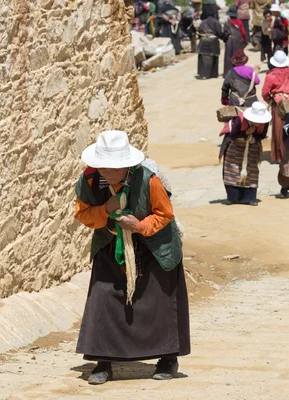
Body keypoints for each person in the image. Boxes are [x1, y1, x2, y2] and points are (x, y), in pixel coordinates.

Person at [74, 130, 190, 384]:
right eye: (103, 167)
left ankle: (167, 359)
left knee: (158, 302)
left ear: (127, 165)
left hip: (155, 246)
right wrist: (106, 209)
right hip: (111, 243)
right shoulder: (92, 179)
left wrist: (137, 226)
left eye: (113, 168)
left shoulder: (149, 180)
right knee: (104, 298)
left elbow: (164, 214)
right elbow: (83, 214)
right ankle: (103, 361)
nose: (107, 172)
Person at [219, 102, 272, 206]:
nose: (258, 123)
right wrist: (246, 132)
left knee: (251, 171)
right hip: (234, 145)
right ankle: (233, 197)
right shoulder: (239, 120)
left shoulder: (264, 123)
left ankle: (250, 198)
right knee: (232, 171)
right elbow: (233, 134)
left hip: (252, 146)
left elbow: (262, 135)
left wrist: (253, 135)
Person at [261, 50, 289, 162]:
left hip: (279, 104)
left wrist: (270, 100)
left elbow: (265, 92)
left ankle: (281, 156)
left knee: (280, 129)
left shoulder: (271, 75)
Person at [197, 6, 224, 79]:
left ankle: (203, 74)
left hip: (203, 40)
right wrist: (224, 38)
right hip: (213, 40)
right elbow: (219, 33)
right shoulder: (216, 22)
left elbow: (199, 31)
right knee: (214, 57)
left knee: (202, 57)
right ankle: (213, 74)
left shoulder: (203, 22)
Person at [223, 6, 247, 77]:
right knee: (238, 56)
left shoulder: (226, 23)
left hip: (229, 41)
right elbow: (243, 33)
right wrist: (244, 41)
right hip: (238, 41)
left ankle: (228, 73)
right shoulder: (239, 22)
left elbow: (225, 34)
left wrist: (225, 41)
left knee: (228, 57)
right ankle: (238, 72)